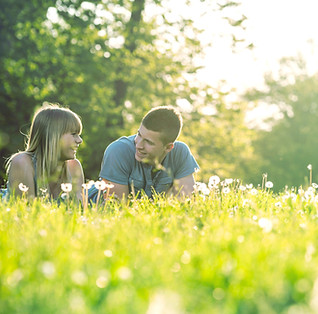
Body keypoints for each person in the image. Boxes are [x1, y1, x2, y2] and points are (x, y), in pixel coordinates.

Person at [89, 106, 199, 201]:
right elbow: (117, 208)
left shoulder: (180, 153)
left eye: (148, 142)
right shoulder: (118, 151)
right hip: (89, 211)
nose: (138, 145)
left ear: (168, 147)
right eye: (139, 135)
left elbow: (185, 203)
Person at [5, 103, 84, 201]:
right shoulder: (22, 162)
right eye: (73, 134)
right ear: (53, 137)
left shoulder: (74, 166)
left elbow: (79, 212)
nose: (80, 140)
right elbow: (26, 211)